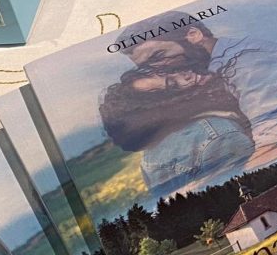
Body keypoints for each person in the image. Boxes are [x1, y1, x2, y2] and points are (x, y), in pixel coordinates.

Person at [116, 11, 277, 170]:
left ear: (193, 35)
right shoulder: (216, 67)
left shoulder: (246, 61)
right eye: (148, 66)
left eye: (158, 56)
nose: (160, 68)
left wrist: (227, 180)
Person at [99, 67, 255, 198]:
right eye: (172, 84)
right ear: (162, 111)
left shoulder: (148, 160)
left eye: (164, 72)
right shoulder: (217, 135)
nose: (185, 74)